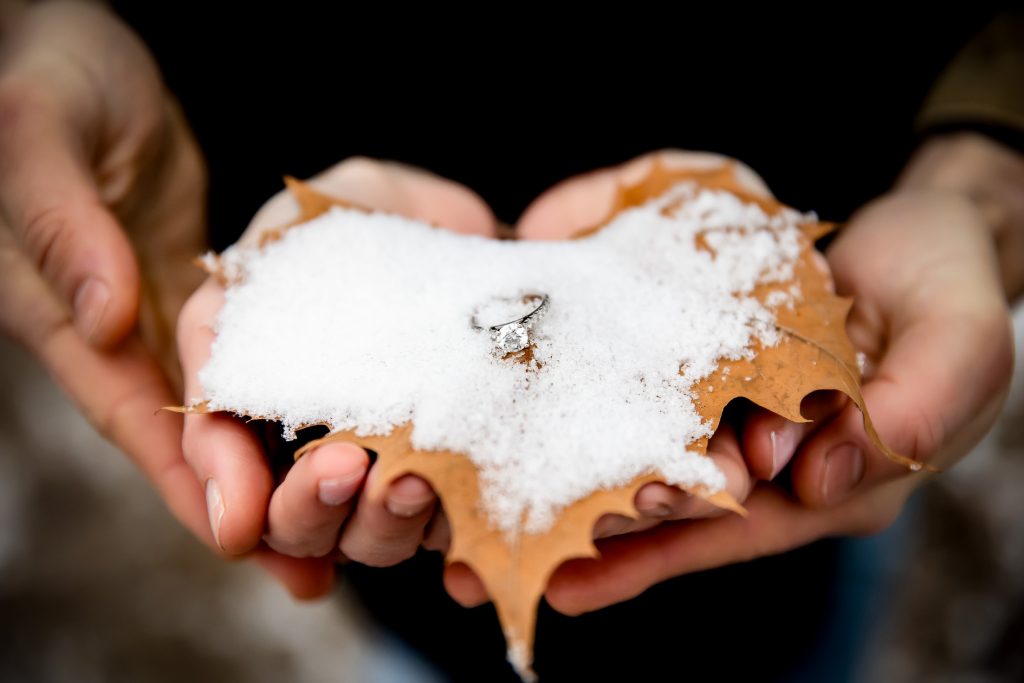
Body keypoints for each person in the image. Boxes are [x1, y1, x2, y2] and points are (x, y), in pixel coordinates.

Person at [1, 1, 1020, 678]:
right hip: (385, 511)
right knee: (396, 548)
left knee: (805, 571)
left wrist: (988, 157)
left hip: (792, 354)